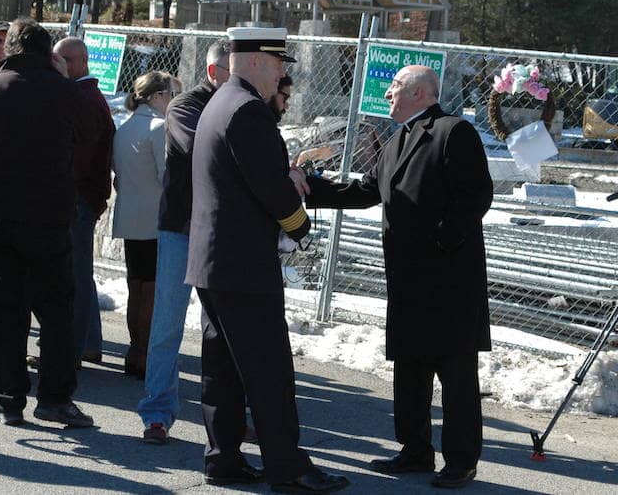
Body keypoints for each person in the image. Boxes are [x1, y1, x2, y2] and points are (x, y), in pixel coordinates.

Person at [304, 65, 493, 489]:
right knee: (410, 370)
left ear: (422, 93)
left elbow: (476, 194)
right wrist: (309, 188)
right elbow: (366, 191)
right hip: (408, 282)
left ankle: (461, 461)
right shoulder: (397, 140)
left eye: (395, 86)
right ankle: (414, 452)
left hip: (448, 284)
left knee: (456, 376)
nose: (387, 92)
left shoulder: (452, 131)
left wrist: (443, 241)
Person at [185, 26, 349, 493]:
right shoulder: (247, 110)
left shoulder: (221, 101)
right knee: (268, 370)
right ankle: (288, 468)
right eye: (278, 64)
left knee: (224, 368)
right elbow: (271, 189)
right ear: (257, 60)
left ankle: (224, 457)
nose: (281, 73)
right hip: (242, 264)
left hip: (216, 261)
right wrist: (300, 228)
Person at [0, 17, 98, 428]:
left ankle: (8, 401)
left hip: (1, 223)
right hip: (52, 220)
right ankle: (55, 398)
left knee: (8, 313)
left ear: (10, 48)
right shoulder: (66, 93)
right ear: (47, 53)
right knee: (56, 314)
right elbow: (90, 136)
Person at [137, 39, 230, 445]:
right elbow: (204, 152)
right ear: (214, 72)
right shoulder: (185, 106)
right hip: (180, 228)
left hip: (223, 230)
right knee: (167, 326)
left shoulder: (247, 104)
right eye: (234, 68)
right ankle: (157, 413)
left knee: (227, 330)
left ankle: (228, 414)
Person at [112, 71, 180, 379]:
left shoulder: (124, 128)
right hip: (155, 220)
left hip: (130, 217)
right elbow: (167, 178)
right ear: (156, 96)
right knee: (151, 289)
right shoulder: (157, 128)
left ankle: (135, 349)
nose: (172, 101)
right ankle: (144, 353)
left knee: (136, 286)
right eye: (169, 94)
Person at [53, 37, 115, 368]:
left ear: (80, 62)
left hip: (78, 198)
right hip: (84, 197)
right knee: (81, 273)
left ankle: (72, 350)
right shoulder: (86, 96)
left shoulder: (84, 99)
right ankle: (89, 343)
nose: (56, 65)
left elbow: (78, 159)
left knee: (74, 276)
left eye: (61, 60)